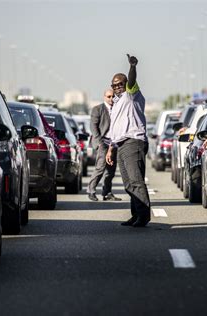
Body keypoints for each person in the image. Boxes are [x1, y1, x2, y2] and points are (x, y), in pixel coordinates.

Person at [106, 54, 151, 228]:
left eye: (120, 84)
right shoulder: (116, 103)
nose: (117, 87)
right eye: (114, 85)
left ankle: (144, 216)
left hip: (133, 142)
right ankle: (135, 215)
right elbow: (116, 128)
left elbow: (131, 80)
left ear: (125, 85)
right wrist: (111, 148)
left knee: (135, 180)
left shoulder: (131, 95)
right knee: (128, 184)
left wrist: (132, 67)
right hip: (121, 144)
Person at [86, 88, 121, 201]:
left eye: (113, 96)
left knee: (111, 170)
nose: (111, 99)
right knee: (100, 167)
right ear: (104, 97)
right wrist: (100, 143)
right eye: (108, 96)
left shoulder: (118, 108)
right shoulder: (98, 109)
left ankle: (107, 192)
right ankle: (91, 191)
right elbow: (93, 127)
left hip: (113, 143)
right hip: (102, 142)